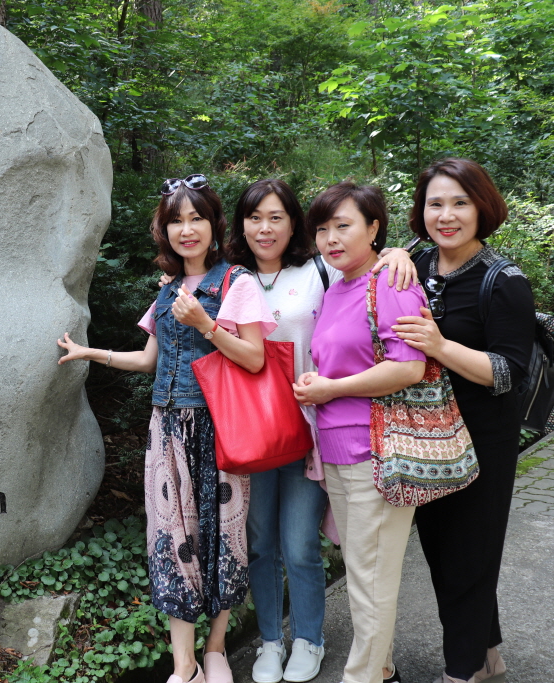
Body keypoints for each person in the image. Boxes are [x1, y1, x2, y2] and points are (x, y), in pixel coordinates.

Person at [59, 174, 276, 683]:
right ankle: (185, 665)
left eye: (197, 217)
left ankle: (216, 648)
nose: (187, 229)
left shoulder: (237, 283)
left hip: (220, 428)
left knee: (222, 537)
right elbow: (148, 359)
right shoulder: (167, 291)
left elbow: (255, 358)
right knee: (172, 538)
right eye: (176, 221)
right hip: (167, 430)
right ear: (164, 231)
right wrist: (90, 353)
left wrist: (206, 324)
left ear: (214, 224)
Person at [215, 180, 416, 683]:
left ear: (293, 224)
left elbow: (366, 271)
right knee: (259, 543)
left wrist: (395, 252)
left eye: (277, 217)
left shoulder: (320, 269)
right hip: (250, 432)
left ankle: (309, 637)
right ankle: (270, 641)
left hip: (311, 429)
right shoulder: (228, 278)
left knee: (300, 543)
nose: (265, 228)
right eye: (254, 217)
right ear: (241, 225)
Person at [392, 158, 534, 683]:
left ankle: (463, 669)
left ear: (482, 208)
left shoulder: (504, 281)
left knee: (469, 557)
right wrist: (391, 254)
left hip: (483, 438)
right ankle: (488, 655)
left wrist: (440, 345)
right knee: (442, 553)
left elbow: (508, 372)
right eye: (435, 204)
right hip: (427, 437)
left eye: (460, 203)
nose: (446, 215)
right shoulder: (416, 262)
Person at [293, 182, 428, 683]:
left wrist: (331, 388)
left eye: (343, 226)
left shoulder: (391, 281)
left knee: (370, 583)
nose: (330, 238)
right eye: (322, 229)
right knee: (363, 577)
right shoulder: (336, 289)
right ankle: (383, 669)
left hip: (377, 451)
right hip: (338, 453)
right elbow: (342, 363)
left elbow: (408, 367)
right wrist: (319, 383)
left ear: (373, 228)